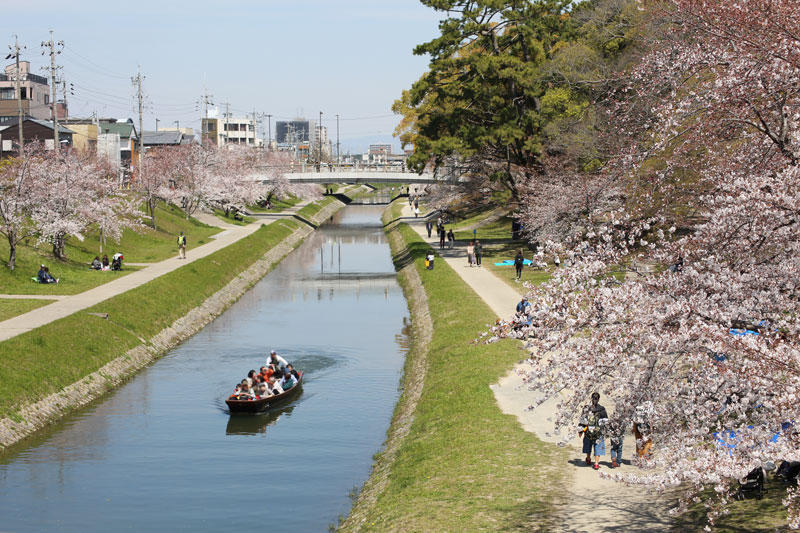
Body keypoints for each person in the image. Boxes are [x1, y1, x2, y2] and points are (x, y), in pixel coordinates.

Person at [579, 392, 609, 470]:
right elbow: (606, 421)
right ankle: (596, 463)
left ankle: (588, 458)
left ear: (591, 398)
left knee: (587, 445)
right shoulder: (602, 409)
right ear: (598, 399)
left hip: (588, 431)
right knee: (598, 446)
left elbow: (582, 420)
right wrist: (606, 431)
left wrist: (580, 430)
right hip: (598, 431)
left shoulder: (586, 408)